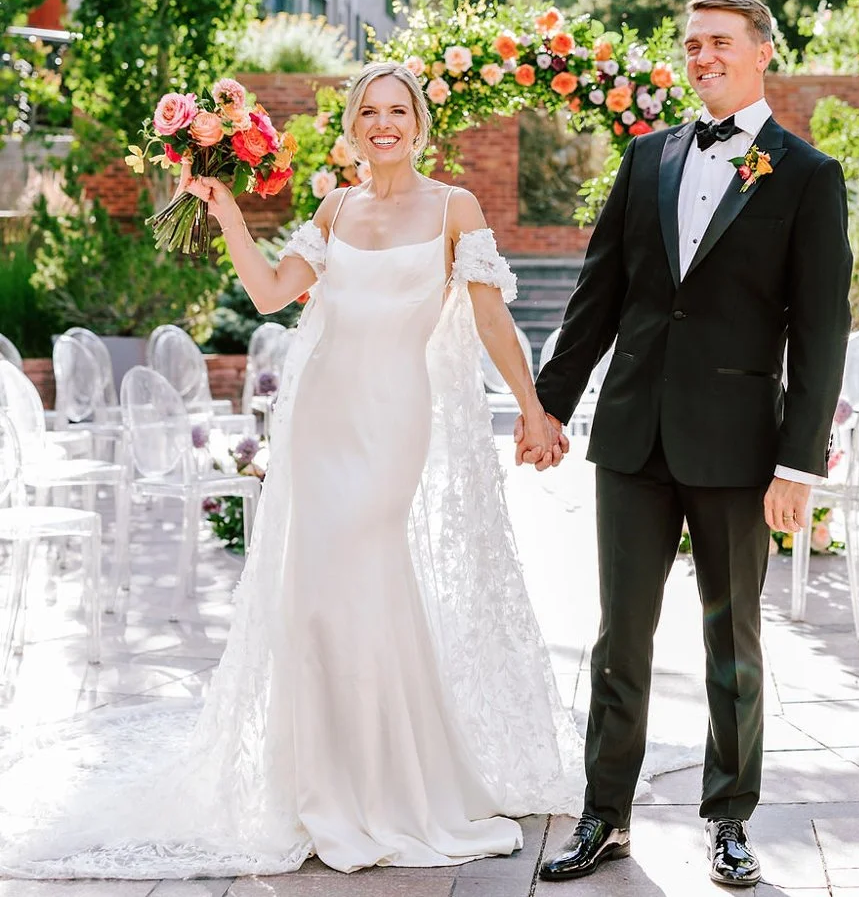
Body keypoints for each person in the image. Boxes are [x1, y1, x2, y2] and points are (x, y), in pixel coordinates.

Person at [0, 61, 579, 877]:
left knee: (365, 578)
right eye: (369, 112)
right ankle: (319, 788)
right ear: (352, 126)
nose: (384, 124)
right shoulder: (336, 207)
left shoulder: (456, 207)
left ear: (420, 123)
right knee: (313, 602)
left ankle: (389, 785)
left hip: (392, 422)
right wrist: (227, 210)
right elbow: (272, 293)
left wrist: (531, 407)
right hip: (320, 423)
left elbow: (489, 319)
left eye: (398, 110)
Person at [528, 0, 853, 887]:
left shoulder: (807, 175)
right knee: (618, 640)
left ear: (762, 51)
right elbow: (599, 294)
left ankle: (730, 820)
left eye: (718, 42)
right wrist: (549, 404)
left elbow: (819, 332)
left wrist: (798, 463)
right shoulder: (647, 158)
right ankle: (605, 816)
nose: (701, 57)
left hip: (739, 449)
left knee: (732, 644)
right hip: (633, 438)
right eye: (691, 44)